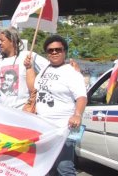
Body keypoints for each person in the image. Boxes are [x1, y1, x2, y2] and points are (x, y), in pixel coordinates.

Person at [25, 35, 86, 175]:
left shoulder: (72, 73)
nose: (54, 52)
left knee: (64, 167)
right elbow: (33, 88)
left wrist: (77, 114)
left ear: (64, 51)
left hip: (63, 128)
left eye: (58, 49)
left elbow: (82, 96)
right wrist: (28, 68)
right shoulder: (45, 69)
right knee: (46, 167)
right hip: (43, 129)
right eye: (50, 50)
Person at [0, 28, 48, 109]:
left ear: (12, 41)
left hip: (24, 111)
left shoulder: (28, 55)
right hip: (4, 111)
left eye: (2, 40)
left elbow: (49, 67)